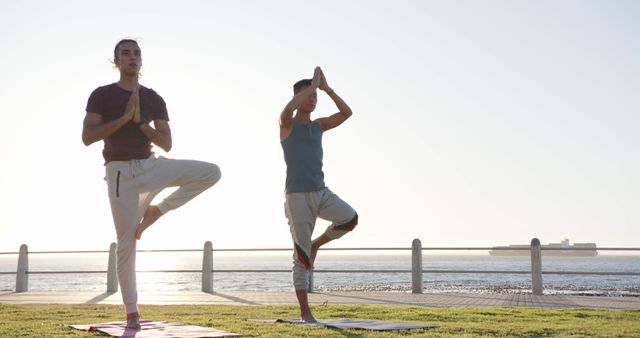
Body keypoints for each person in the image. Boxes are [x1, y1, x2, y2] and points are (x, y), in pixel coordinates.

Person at [82, 39, 221, 329]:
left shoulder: (154, 98)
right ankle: (132, 311)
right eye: (125, 53)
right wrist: (123, 118)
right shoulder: (101, 95)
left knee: (211, 172)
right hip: (120, 173)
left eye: (136, 53)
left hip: (151, 166)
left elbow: (167, 144)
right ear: (116, 61)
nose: (132, 57)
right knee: (126, 242)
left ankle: (158, 211)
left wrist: (141, 123)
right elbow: (88, 136)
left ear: (141, 61)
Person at [279, 67, 359, 322]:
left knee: (350, 218)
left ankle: (317, 244)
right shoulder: (287, 124)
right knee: (301, 258)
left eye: (315, 97)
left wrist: (326, 89)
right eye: (308, 95)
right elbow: (286, 110)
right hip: (297, 197)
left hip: (320, 191)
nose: (313, 100)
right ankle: (305, 313)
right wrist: (312, 86)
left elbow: (347, 113)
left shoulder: (319, 126)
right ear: (298, 97)